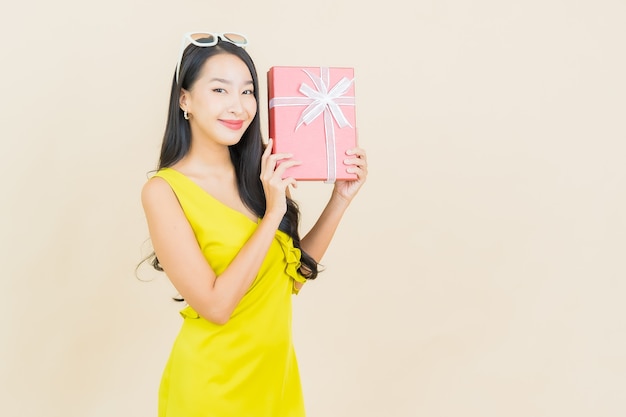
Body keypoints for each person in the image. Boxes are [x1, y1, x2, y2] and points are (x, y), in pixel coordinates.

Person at [140, 32, 367, 417]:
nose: (238, 106)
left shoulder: (257, 177)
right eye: (219, 90)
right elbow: (215, 306)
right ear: (185, 100)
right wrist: (273, 213)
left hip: (275, 384)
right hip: (211, 392)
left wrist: (340, 199)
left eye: (247, 92)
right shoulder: (164, 191)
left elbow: (289, 277)